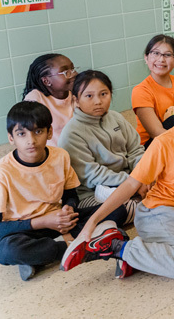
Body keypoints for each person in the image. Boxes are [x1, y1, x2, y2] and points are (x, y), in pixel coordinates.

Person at [63, 74, 174, 280]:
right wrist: (92, 221)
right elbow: (132, 184)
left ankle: (146, 257)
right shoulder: (164, 142)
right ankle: (117, 247)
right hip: (158, 212)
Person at [0, 102, 128, 281]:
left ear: (49, 132)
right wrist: (44, 221)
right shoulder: (1, 173)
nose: (30, 140)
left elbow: (70, 195)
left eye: (38, 131)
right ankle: (84, 247)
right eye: (21, 134)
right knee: (6, 251)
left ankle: (40, 257)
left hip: (61, 222)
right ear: (11, 138)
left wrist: (68, 209)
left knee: (119, 209)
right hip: (25, 230)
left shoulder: (60, 156)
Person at [59, 70, 143, 225]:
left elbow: (136, 150)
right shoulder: (71, 133)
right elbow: (92, 175)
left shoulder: (116, 117)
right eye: (89, 96)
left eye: (103, 94)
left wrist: (142, 177)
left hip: (132, 181)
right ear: (76, 100)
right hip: (93, 193)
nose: (98, 101)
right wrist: (134, 183)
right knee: (125, 209)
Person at [131, 35, 174, 145]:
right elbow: (156, 133)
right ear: (146, 58)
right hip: (152, 145)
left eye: (168, 55)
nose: (161, 59)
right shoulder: (141, 91)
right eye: (155, 53)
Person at [22, 53, 76, 145]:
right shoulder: (35, 99)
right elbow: (30, 136)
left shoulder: (77, 92)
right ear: (46, 81)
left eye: (73, 69)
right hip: (54, 155)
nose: (74, 74)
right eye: (65, 72)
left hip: (79, 151)